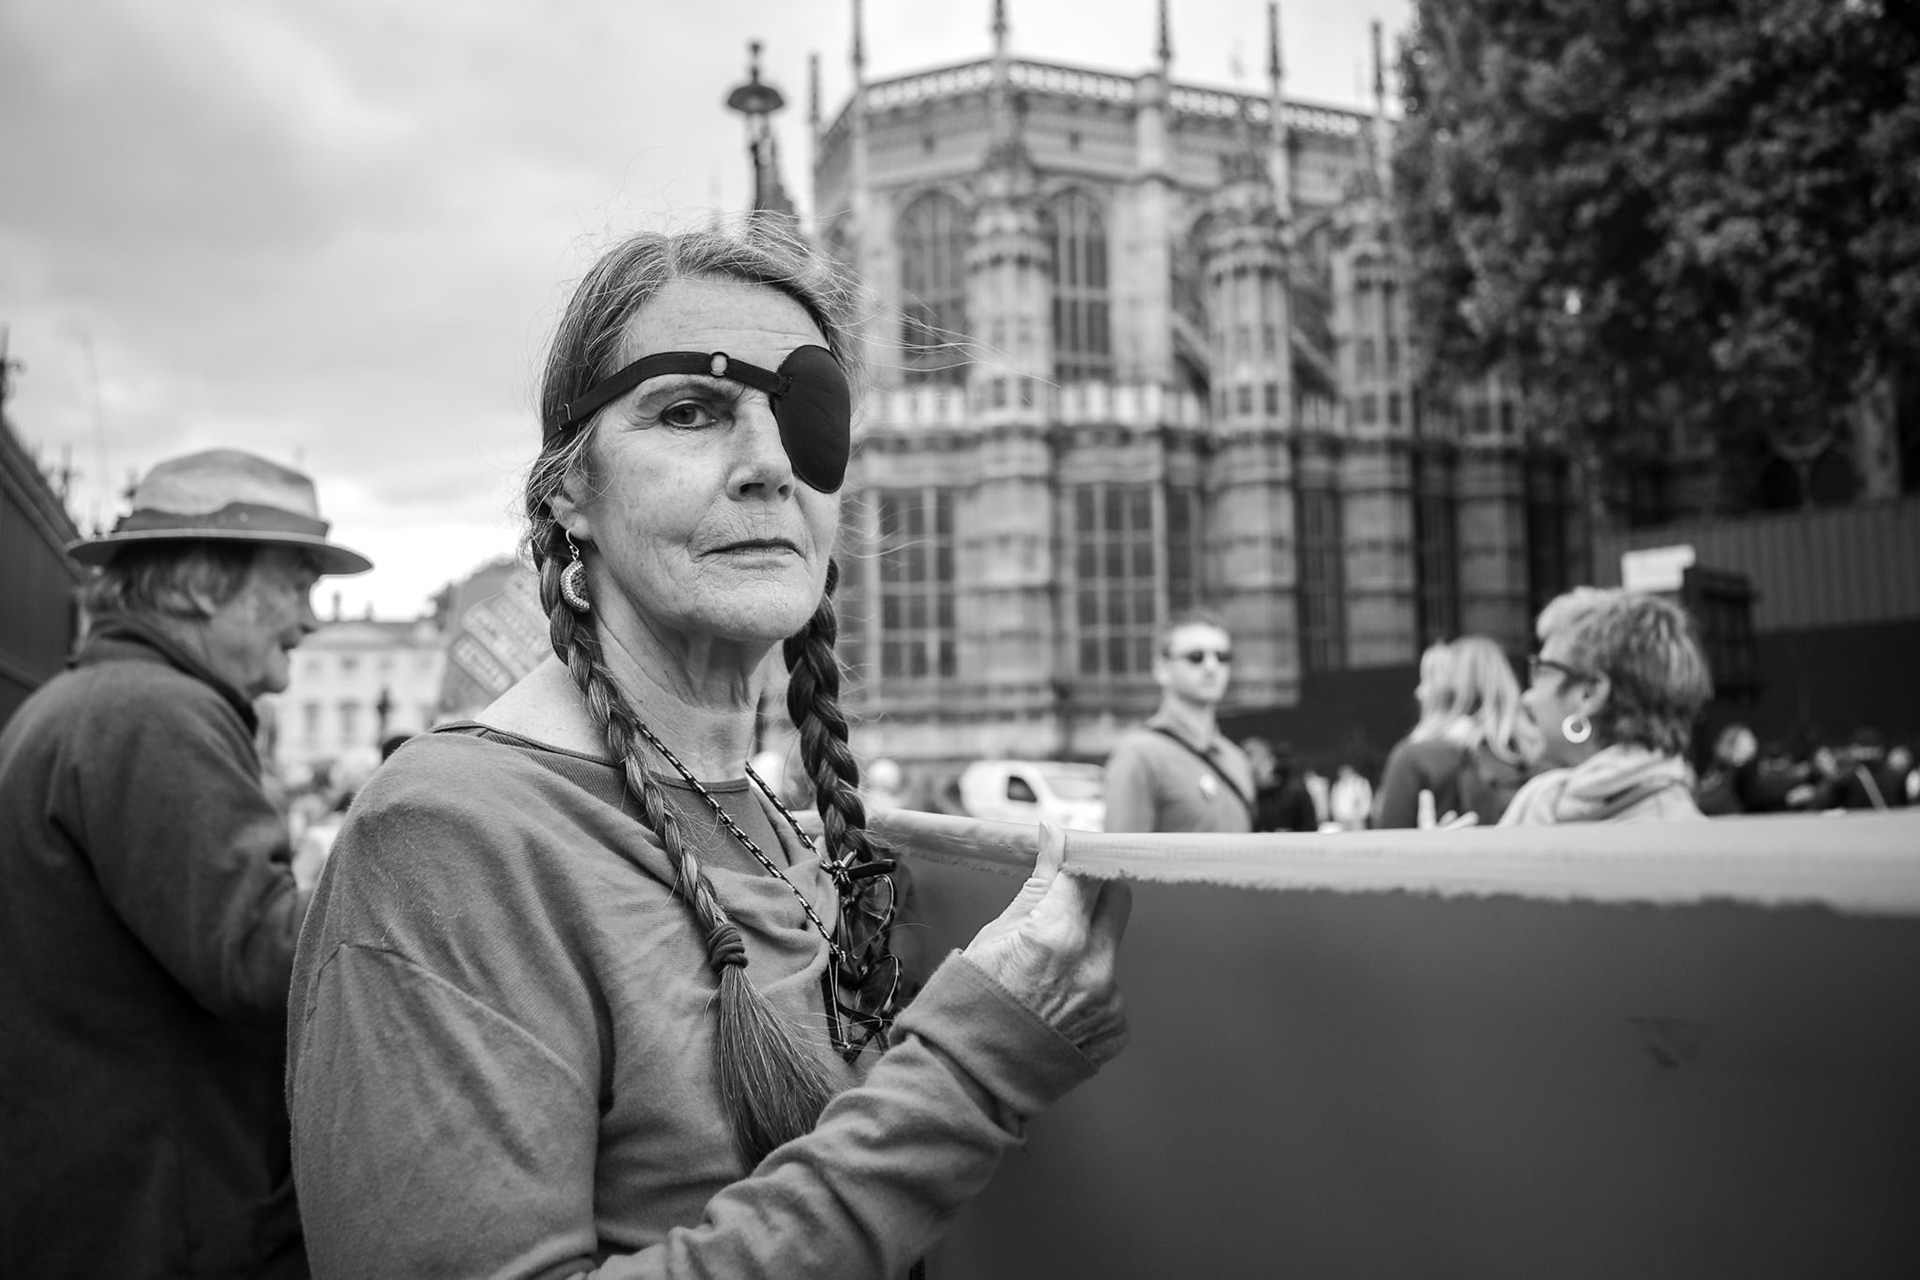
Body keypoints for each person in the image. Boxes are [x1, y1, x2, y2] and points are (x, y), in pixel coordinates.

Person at [287, 227, 1132, 1277]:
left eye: (807, 417)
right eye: (689, 412)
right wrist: (969, 1068)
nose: (771, 466)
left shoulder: (779, 830)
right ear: (568, 492)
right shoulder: (449, 837)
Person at [0, 448, 371, 1277]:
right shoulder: (154, 712)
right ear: (205, 585)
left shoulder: (97, 701)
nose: (309, 619)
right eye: (295, 582)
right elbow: (265, 959)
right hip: (162, 1222)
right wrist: (401, 860)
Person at [1502, 587, 1713, 825]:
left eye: (1542, 671)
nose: (1527, 698)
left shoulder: (1666, 838)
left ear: (1589, 694)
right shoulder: (1548, 803)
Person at [1102, 610, 1256, 833]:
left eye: (1222, 657)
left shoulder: (1235, 760)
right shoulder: (1140, 755)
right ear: (1161, 668)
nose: (1211, 667)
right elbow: (1120, 860)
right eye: (1196, 657)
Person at [1373, 637, 1533, 828]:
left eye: (1427, 682)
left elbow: (1386, 848)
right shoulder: (1540, 757)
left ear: (1446, 693)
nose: (1419, 692)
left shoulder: (1414, 760)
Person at [1243, 736, 1318, 833]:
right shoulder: (1250, 796)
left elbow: (1310, 828)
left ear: (1270, 760)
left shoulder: (1295, 791)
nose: (1251, 766)